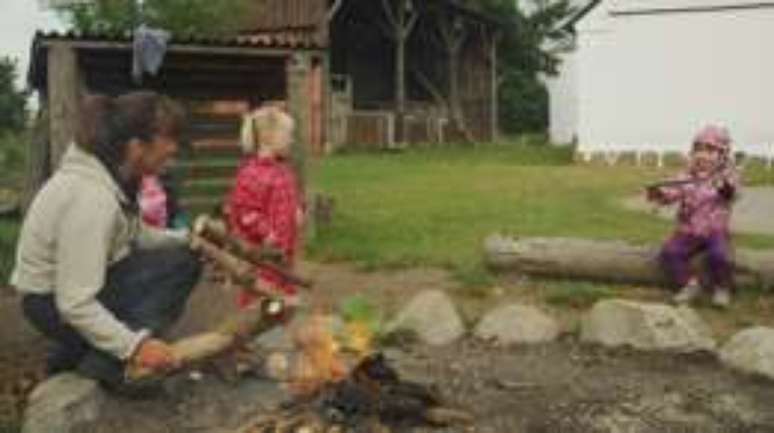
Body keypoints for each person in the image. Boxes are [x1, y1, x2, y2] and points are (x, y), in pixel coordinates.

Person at [11, 91, 201, 393]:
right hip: (51, 305)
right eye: (168, 140)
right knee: (181, 265)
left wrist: (189, 239)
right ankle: (107, 366)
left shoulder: (114, 177)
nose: (174, 149)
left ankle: (72, 356)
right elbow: (75, 303)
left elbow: (136, 235)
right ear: (136, 147)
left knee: (184, 255)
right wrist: (135, 347)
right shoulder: (91, 197)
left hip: (65, 294)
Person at [646, 124, 740, 307]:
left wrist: (726, 189)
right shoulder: (687, 175)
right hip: (688, 229)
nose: (703, 155)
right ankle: (689, 284)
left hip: (715, 229)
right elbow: (673, 191)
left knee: (719, 255)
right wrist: (660, 194)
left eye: (711, 151)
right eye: (699, 150)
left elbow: (732, 194)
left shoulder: (726, 176)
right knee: (669, 253)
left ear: (722, 155)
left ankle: (722, 287)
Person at [224, 105, 303, 309]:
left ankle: (276, 329)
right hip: (262, 254)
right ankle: (257, 334)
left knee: (282, 291)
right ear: (268, 136)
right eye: (287, 135)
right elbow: (245, 212)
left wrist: (297, 210)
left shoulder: (283, 170)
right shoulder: (251, 173)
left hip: (283, 251)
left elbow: (290, 195)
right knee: (262, 295)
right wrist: (266, 233)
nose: (291, 140)